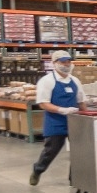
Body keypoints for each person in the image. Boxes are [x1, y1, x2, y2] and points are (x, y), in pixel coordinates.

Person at [29, 50, 87, 186]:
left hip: (75, 121)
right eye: (62, 62)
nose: (66, 64)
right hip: (56, 122)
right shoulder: (47, 81)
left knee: (79, 151)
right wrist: (62, 110)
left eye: (68, 61)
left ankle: (75, 178)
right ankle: (38, 170)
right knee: (51, 150)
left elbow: (81, 102)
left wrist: (88, 116)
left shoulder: (75, 81)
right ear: (54, 63)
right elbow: (43, 103)